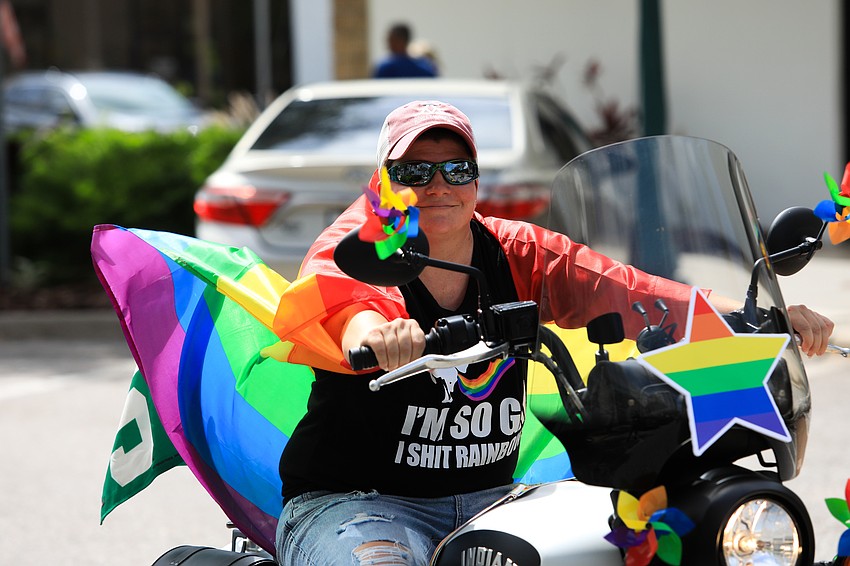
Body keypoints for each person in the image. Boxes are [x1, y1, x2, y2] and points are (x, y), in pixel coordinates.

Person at [275, 101, 835, 565]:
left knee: (613, 549)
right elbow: (340, 296)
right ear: (384, 182)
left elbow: (627, 288)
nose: (438, 186)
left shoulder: (517, 251)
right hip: (359, 504)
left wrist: (754, 316)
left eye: (457, 169)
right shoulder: (362, 243)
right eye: (415, 172)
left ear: (476, 178)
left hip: (490, 498)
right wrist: (379, 330)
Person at [373, 23, 438, 79]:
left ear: (401, 41)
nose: (388, 44)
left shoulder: (386, 67)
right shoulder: (423, 65)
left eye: (391, 40)